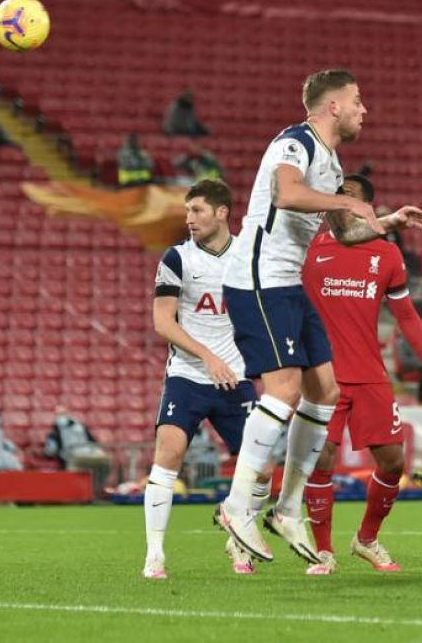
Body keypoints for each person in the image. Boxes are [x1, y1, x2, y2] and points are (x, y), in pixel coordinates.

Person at [216, 69, 422, 566]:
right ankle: (237, 504)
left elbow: (340, 233)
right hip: (258, 277)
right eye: (358, 100)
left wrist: (386, 222)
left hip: (287, 282)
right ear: (332, 106)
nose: (364, 109)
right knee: (286, 391)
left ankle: (288, 509)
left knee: (324, 392)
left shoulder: (332, 162)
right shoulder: (296, 142)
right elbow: (286, 194)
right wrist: (348, 199)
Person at [301, 174, 422, 575]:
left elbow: (406, 315)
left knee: (391, 462)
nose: (338, 201)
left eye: (347, 196)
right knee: (322, 460)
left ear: (368, 207)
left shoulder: (387, 254)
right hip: (324, 373)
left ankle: (366, 539)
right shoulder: (309, 246)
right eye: (336, 196)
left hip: (368, 372)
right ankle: (323, 551)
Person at [143, 179, 260, 579]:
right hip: (188, 375)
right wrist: (207, 355)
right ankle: (155, 555)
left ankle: (237, 534)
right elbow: (162, 321)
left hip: (236, 378)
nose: (189, 219)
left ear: (222, 212)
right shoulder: (177, 258)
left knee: (260, 470)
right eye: (188, 211)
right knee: (169, 453)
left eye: (198, 211)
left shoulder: (248, 254)